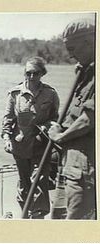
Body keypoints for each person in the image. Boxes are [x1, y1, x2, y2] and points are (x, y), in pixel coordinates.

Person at [48, 19, 95, 220]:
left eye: (73, 48)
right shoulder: (86, 73)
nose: (70, 55)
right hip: (72, 162)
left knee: (76, 223)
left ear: (91, 42)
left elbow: (89, 119)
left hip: (85, 166)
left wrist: (60, 136)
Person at [1, 56, 60, 219]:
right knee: (24, 180)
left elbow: (55, 118)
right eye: (28, 73)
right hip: (20, 144)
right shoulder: (15, 94)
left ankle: (38, 216)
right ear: (24, 73)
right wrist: (6, 138)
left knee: (39, 179)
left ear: (42, 73)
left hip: (41, 144)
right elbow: (8, 119)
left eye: (36, 73)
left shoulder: (51, 93)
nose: (31, 77)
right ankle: (24, 212)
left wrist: (48, 127)